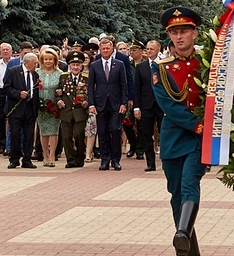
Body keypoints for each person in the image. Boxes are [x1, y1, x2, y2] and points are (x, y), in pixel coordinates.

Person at [151, 7, 208, 256]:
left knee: (189, 184)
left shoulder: (209, 63)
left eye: (184, 30)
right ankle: (191, 254)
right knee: (176, 193)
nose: (179, 35)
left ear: (194, 33)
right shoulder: (160, 69)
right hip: (174, 136)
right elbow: (168, 106)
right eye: (174, 32)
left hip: (199, 138)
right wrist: (196, 123)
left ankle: (182, 232)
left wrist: (205, 128)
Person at [87, 36, 129, 171]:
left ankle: (115, 160)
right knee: (102, 132)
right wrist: (91, 104)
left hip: (116, 104)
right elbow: (90, 86)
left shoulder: (119, 64)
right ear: (100, 49)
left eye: (107, 48)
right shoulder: (94, 65)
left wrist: (124, 103)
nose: (105, 51)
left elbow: (124, 85)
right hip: (100, 104)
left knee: (115, 130)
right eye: (103, 48)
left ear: (112, 49)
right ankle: (105, 160)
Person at [2, 51, 40, 168]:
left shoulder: (35, 75)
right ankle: (14, 159)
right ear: (27, 62)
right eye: (35, 63)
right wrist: (18, 94)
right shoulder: (13, 71)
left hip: (30, 109)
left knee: (29, 135)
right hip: (16, 108)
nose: (36, 65)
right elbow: (6, 88)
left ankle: (27, 159)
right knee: (15, 134)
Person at [134, 39, 163, 171]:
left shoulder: (164, 65)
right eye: (147, 49)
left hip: (162, 105)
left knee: (165, 133)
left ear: (158, 50)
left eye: (152, 49)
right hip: (146, 105)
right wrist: (136, 107)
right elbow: (137, 88)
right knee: (147, 134)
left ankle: (166, 160)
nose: (149, 51)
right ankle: (150, 163)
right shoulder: (141, 67)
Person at [58, 52, 90, 168]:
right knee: (66, 137)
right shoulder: (63, 77)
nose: (75, 67)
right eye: (73, 65)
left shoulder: (87, 78)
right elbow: (58, 91)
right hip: (66, 111)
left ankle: (80, 157)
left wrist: (88, 102)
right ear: (69, 66)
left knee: (78, 135)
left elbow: (92, 93)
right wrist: (58, 100)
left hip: (80, 111)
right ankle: (70, 159)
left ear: (82, 66)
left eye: (78, 65)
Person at [36, 48, 63, 167]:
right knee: (43, 131)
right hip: (40, 105)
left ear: (55, 60)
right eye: (46, 59)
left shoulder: (60, 73)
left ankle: (52, 155)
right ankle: (45, 155)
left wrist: (60, 92)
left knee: (53, 131)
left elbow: (63, 88)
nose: (48, 61)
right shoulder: (37, 72)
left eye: (50, 59)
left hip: (54, 106)